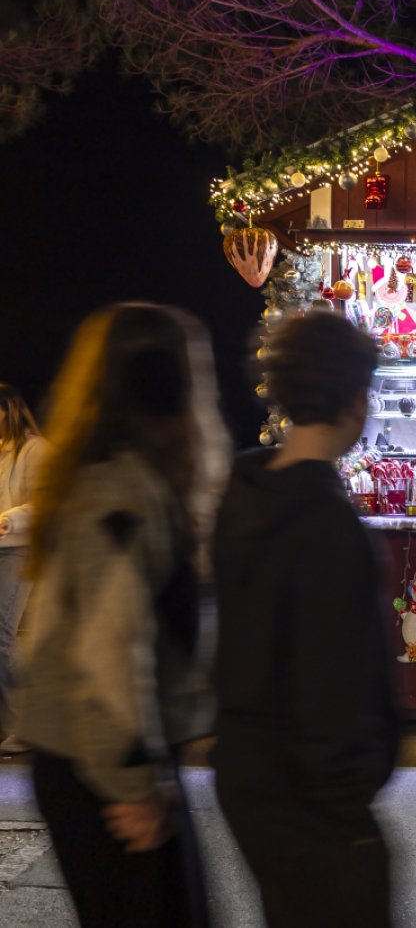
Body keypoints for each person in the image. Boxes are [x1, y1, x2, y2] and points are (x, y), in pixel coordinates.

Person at [17, 304, 230, 928]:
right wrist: (133, 782)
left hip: (93, 753)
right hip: (102, 762)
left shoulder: (97, 479)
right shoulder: (125, 493)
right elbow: (109, 650)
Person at [211, 311, 399, 928]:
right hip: (312, 796)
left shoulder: (245, 490)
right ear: (354, 399)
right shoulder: (330, 527)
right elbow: (331, 683)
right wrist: (351, 807)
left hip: (247, 771)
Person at [0, 384, 47, 755]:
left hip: (17, 552)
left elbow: (46, 502)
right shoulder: (1, 451)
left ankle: (24, 725)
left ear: (8, 409)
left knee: (3, 633)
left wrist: (9, 521)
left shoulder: (35, 449)